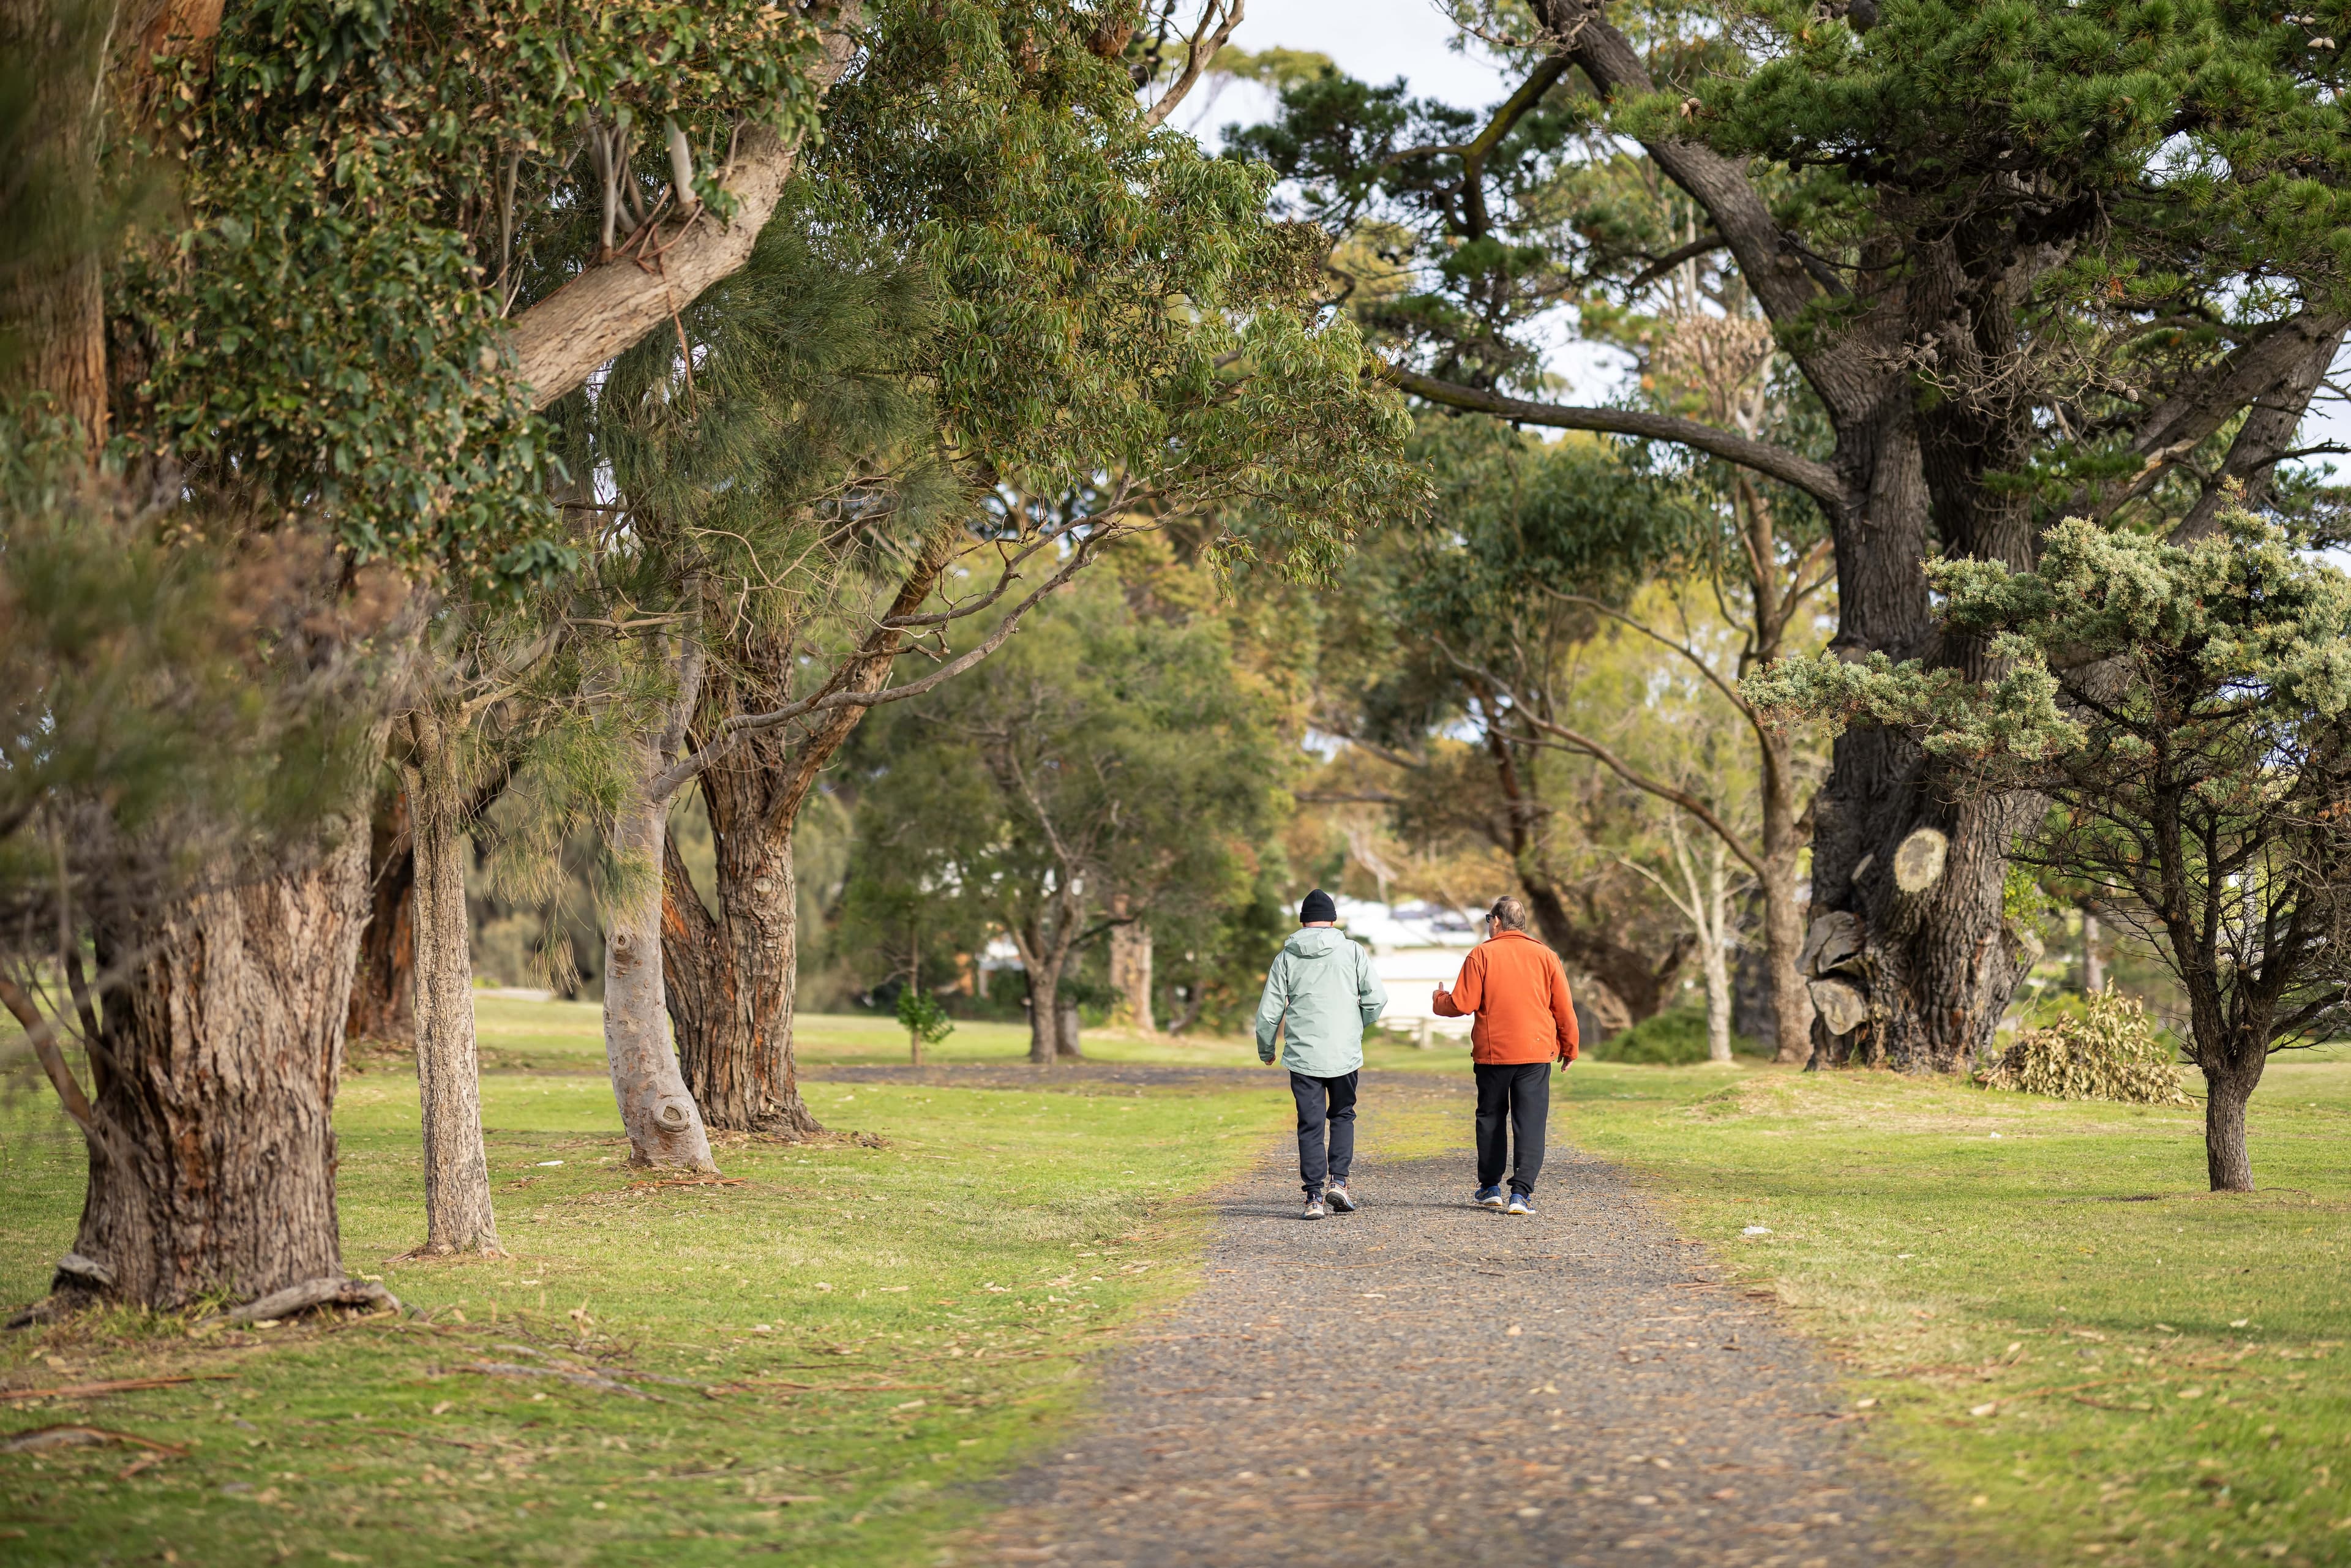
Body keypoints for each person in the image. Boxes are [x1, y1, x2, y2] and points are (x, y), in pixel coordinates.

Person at [1433, 895, 1578, 1215]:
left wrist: (1438, 998)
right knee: (1530, 1122)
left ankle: (1490, 1187)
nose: (1488, 924)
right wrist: (1570, 1047)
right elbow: (1563, 1008)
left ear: (1497, 921)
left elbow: (1461, 1003)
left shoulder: (1482, 954)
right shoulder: (1547, 956)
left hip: (1493, 1054)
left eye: (1488, 918)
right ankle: (1521, 1195)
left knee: (1491, 1117)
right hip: (1536, 1051)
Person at [1254, 889, 1389, 1220]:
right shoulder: (1353, 951)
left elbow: (1269, 1012)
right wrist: (1356, 1028)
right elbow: (1377, 999)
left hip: (1303, 1055)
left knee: (1310, 1124)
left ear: (1303, 921)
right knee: (1342, 1115)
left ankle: (1314, 1197)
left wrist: (1267, 1048)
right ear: (1332, 920)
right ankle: (1339, 1182)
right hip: (1344, 1052)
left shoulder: (1286, 956)